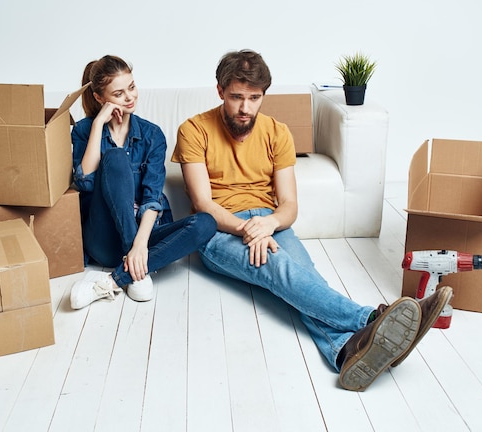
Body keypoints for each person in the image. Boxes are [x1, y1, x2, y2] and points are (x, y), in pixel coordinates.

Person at [172, 49, 453, 391]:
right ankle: (373, 318)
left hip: (269, 221)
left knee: (304, 278)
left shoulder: (277, 132)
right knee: (280, 269)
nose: (245, 108)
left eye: (254, 98)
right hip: (217, 231)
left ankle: (347, 352)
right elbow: (203, 203)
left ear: (264, 96)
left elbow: (289, 205)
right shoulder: (193, 130)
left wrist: (268, 224)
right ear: (220, 91)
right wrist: (249, 229)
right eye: (236, 97)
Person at [70, 55, 216, 308]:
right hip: (103, 239)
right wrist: (97, 126)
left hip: (145, 239)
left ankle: (116, 279)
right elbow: (84, 184)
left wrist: (139, 246)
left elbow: (152, 197)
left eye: (132, 87)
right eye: (118, 93)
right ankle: (137, 268)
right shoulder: (84, 130)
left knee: (206, 223)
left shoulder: (152, 135)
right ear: (99, 98)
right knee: (115, 158)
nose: (129, 97)